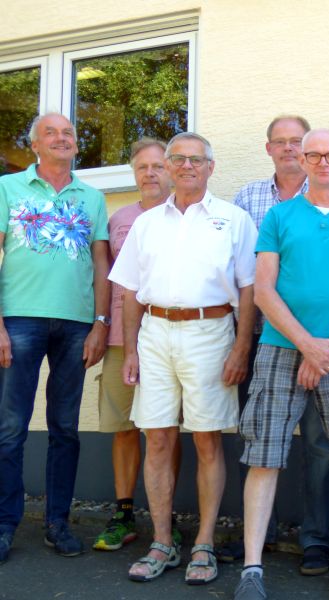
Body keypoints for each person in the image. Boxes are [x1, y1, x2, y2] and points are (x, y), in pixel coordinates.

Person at [234, 128, 329, 600]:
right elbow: (263, 289)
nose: (323, 162)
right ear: (302, 159)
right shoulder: (279, 216)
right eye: (314, 154)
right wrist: (307, 345)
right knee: (263, 455)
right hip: (281, 350)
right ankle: (252, 568)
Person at [110, 132, 257, 584]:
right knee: (156, 438)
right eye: (178, 159)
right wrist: (131, 349)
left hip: (211, 333)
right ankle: (162, 543)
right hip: (154, 334)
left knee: (207, 440)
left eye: (196, 160)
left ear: (211, 167)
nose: (187, 166)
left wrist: (240, 346)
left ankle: (204, 545)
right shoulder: (148, 223)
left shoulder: (233, 220)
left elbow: (250, 289)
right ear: (169, 167)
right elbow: (131, 292)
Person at [230, 114, 329, 574]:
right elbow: (247, 280)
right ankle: (258, 540)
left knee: (322, 445)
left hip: (323, 345)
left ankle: (315, 538)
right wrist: (243, 343)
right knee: (261, 441)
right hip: (265, 338)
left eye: (295, 141)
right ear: (271, 150)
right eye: (280, 142)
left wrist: (314, 347)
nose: (289, 149)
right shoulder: (248, 199)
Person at [0, 113, 110, 564]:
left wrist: (101, 322)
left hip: (75, 323)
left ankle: (57, 523)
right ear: (34, 144)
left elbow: (102, 263)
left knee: (65, 428)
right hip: (19, 319)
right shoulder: (8, 188)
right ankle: (6, 523)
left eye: (68, 133)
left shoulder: (93, 197)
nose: (62, 138)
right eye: (52, 133)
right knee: (10, 428)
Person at [92, 138, 182, 552]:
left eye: (158, 166)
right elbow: (107, 281)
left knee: (164, 430)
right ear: (133, 173)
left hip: (169, 336)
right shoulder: (120, 219)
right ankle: (123, 512)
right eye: (142, 167)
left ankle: (168, 517)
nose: (150, 174)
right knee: (124, 427)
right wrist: (100, 326)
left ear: (171, 170)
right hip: (118, 340)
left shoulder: (184, 217)